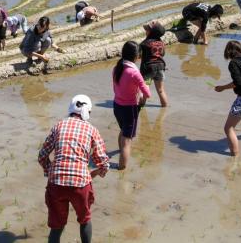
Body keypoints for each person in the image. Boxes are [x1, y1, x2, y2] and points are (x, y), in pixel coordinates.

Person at [38, 94, 109, 243]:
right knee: (84, 220)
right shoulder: (92, 130)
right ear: (88, 112)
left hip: (56, 183)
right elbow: (103, 163)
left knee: (56, 226)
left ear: (70, 110)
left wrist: (50, 171)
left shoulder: (59, 126)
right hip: (81, 185)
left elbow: (42, 156)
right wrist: (94, 173)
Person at [112, 41, 151, 170]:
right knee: (127, 141)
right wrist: (146, 87)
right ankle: (121, 168)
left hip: (117, 105)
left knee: (123, 131)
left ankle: (121, 152)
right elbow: (147, 93)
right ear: (136, 56)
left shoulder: (116, 68)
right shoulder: (134, 72)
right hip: (129, 109)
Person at [140, 21, 168, 107]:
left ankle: (141, 105)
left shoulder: (145, 43)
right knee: (160, 90)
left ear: (151, 32)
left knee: (145, 87)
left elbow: (138, 55)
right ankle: (164, 106)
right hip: (160, 67)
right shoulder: (161, 43)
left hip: (148, 69)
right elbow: (162, 54)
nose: (146, 31)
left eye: (147, 30)